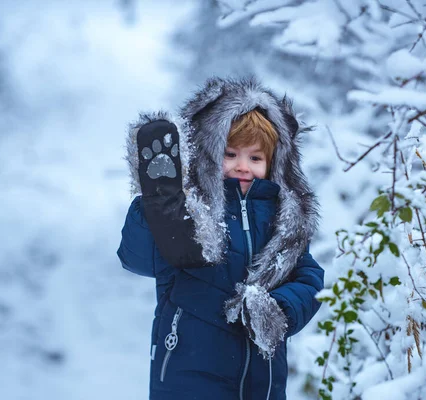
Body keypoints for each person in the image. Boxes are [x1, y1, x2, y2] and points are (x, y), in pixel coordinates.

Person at [117, 77, 323, 400]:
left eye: (255, 158)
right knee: (172, 226)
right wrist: (153, 206)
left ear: (273, 164)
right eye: (230, 154)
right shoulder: (190, 213)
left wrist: (278, 309)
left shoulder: (284, 220)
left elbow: (310, 279)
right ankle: (158, 195)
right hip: (189, 376)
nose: (243, 166)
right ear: (209, 156)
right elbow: (138, 256)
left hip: (262, 384)